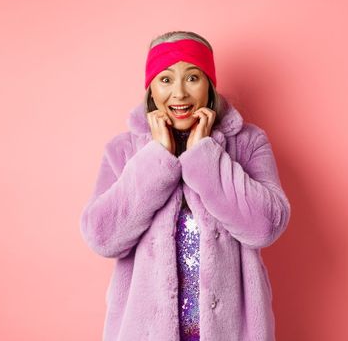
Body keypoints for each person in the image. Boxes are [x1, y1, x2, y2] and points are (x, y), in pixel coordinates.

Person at [79, 31, 291, 341]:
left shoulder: (248, 143)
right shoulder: (123, 150)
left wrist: (204, 155)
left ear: (209, 86)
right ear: (151, 88)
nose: (179, 93)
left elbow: (265, 227)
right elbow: (101, 237)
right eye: (165, 79)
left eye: (192, 78)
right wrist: (157, 158)